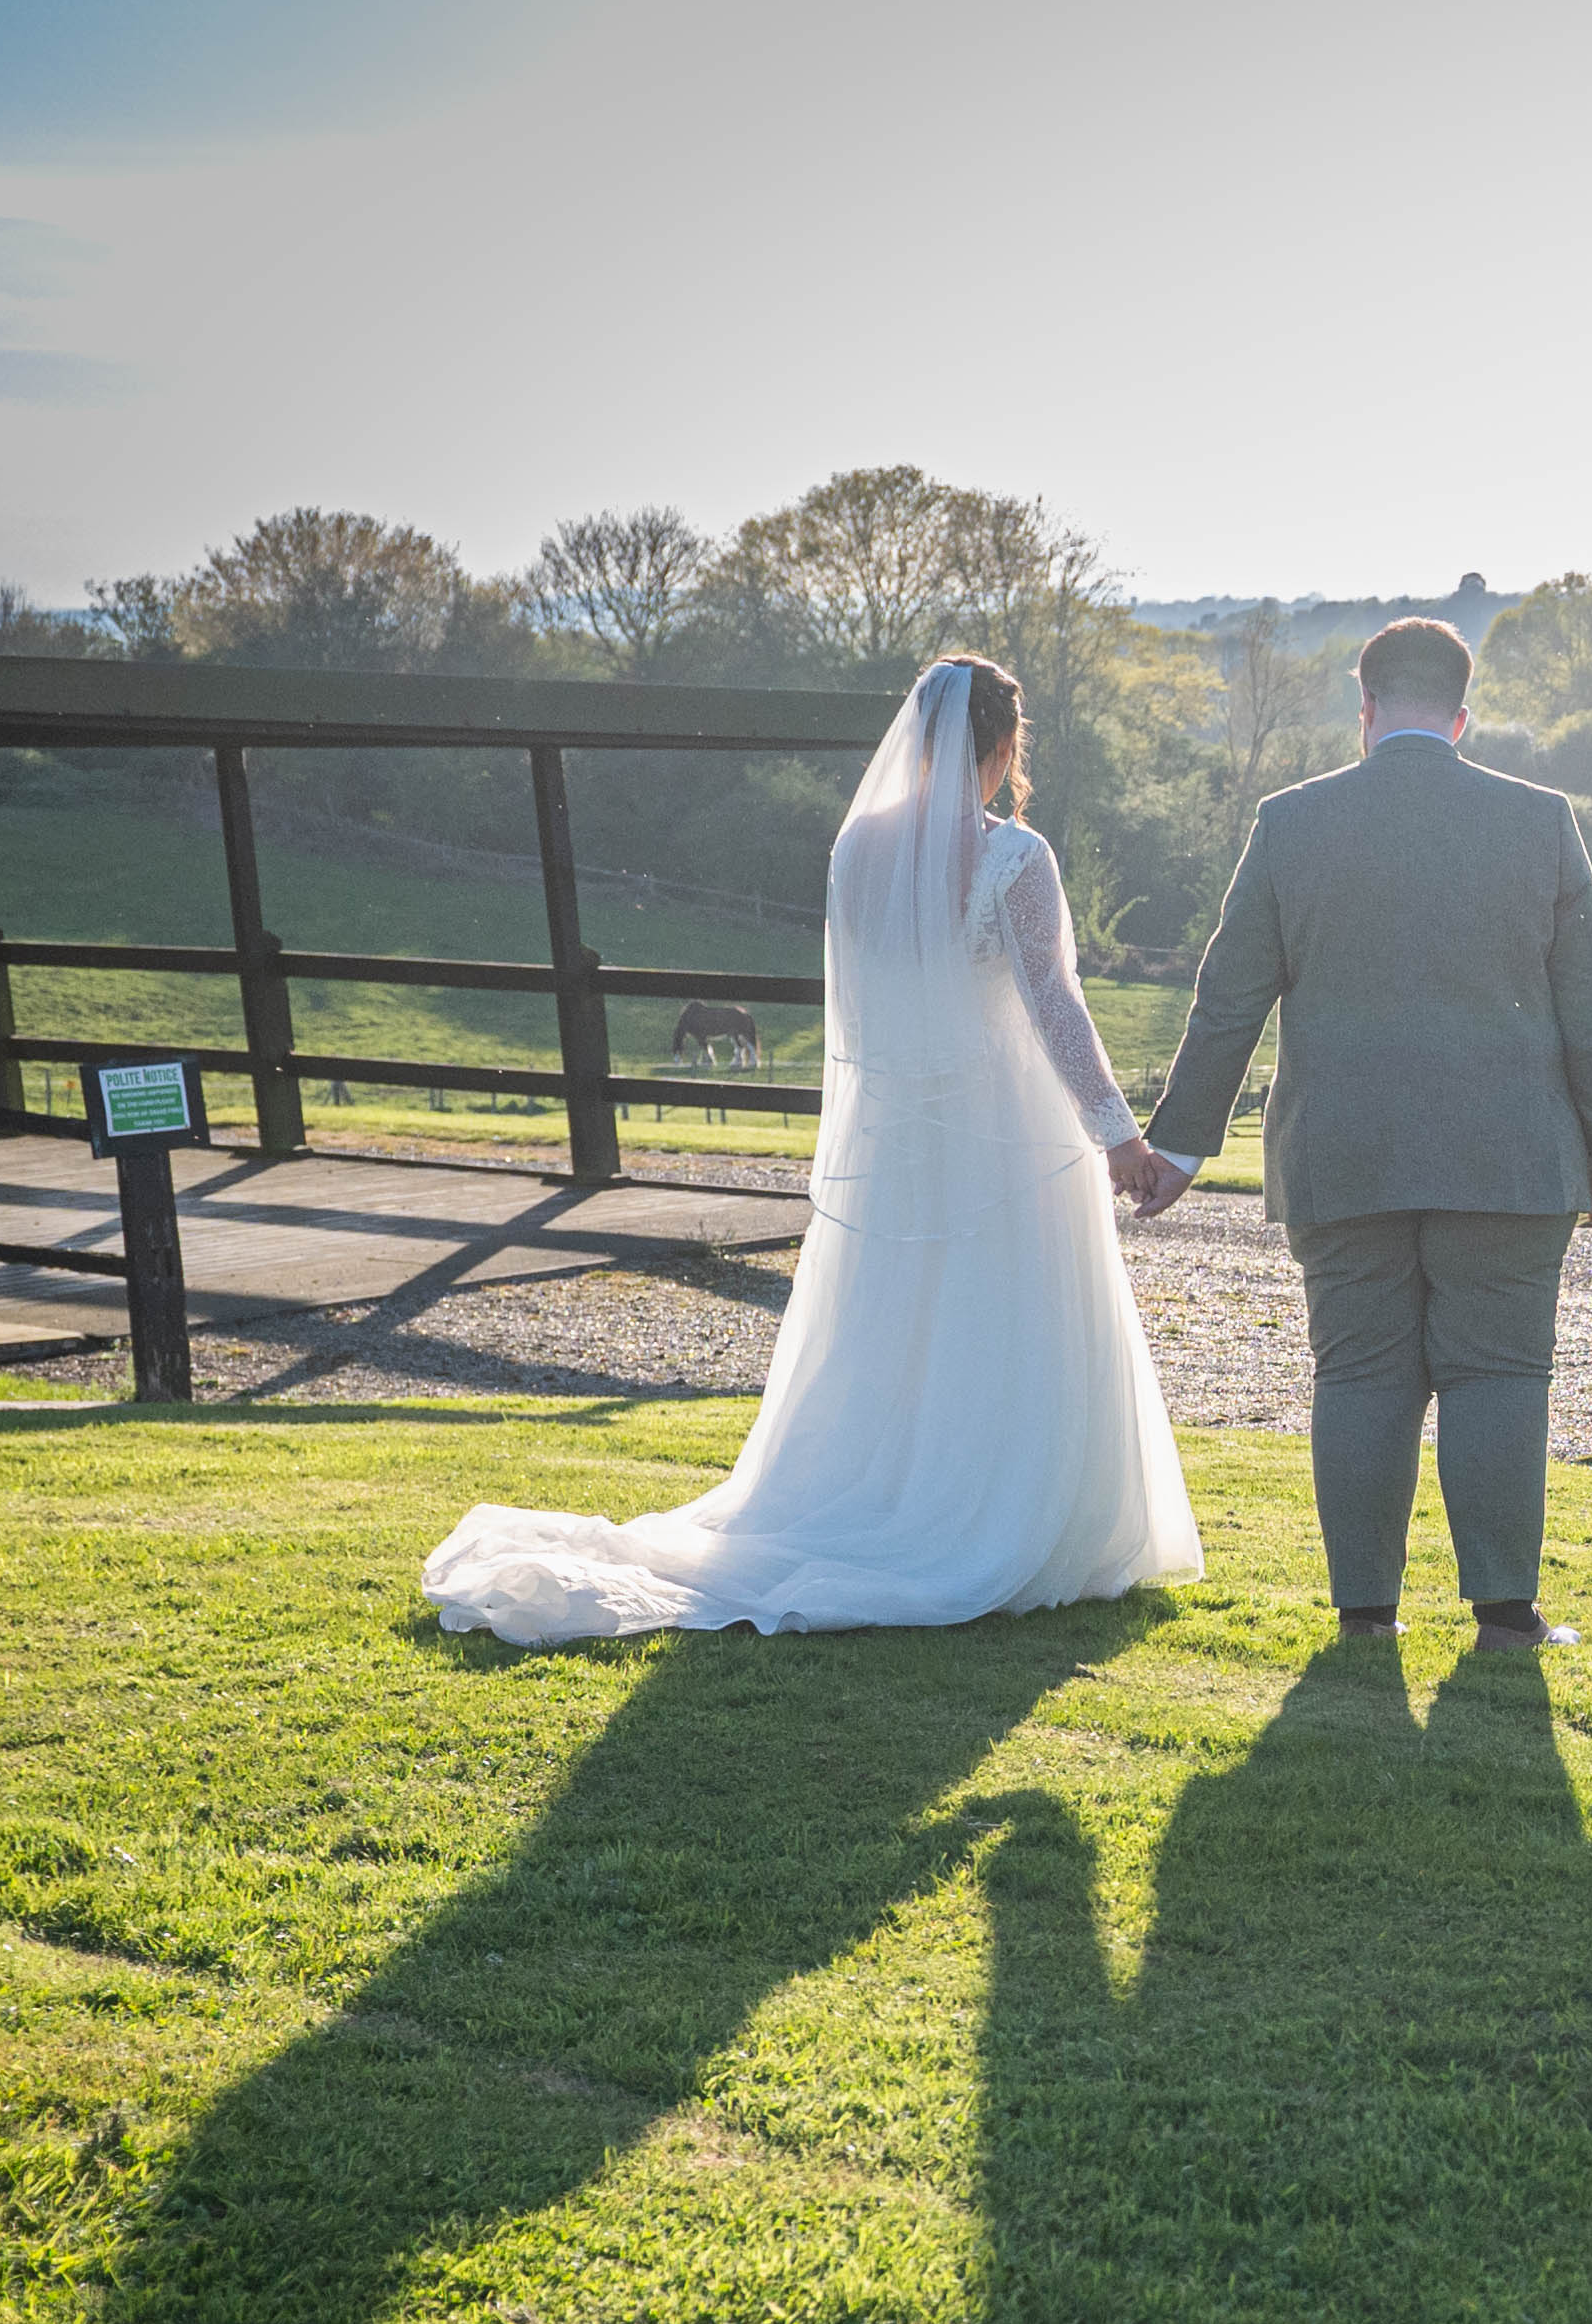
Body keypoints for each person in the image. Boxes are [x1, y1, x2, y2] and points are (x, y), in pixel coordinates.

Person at [418, 658, 1205, 1643]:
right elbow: (1053, 1003)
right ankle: (993, 1518)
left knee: (897, 1329)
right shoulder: (1016, 857)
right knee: (1002, 1317)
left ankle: (890, 1494)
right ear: (1002, 751)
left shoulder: (857, 854)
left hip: (898, 1138)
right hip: (1001, 1133)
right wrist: (1118, 1136)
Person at [1126, 615, 1592, 1646]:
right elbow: (1591, 1001)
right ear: (1462, 714)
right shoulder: (1539, 820)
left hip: (1342, 1150)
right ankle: (1505, 1611)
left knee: (1359, 1373)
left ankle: (1366, 1615)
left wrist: (1179, 1146)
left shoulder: (1290, 823)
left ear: (1362, 711)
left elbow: (1228, 997)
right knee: (1498, 1371)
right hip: (1507, 1155)